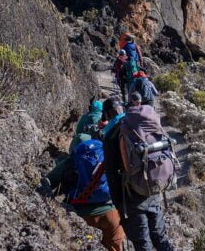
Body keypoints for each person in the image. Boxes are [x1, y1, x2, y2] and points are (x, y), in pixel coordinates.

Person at [102, 97, 175, 251]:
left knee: (143, 245)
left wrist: (118, 204)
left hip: (131, 197)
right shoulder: (140, 123)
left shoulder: (111, 135)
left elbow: (111, 173)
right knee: (160, 238)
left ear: (107, 114)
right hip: (153, 188)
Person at [40, 132, 125, 251]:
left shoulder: (71, 162)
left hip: (82, 215)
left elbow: (48, 183)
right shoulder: (105, 156)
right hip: (111, 213)